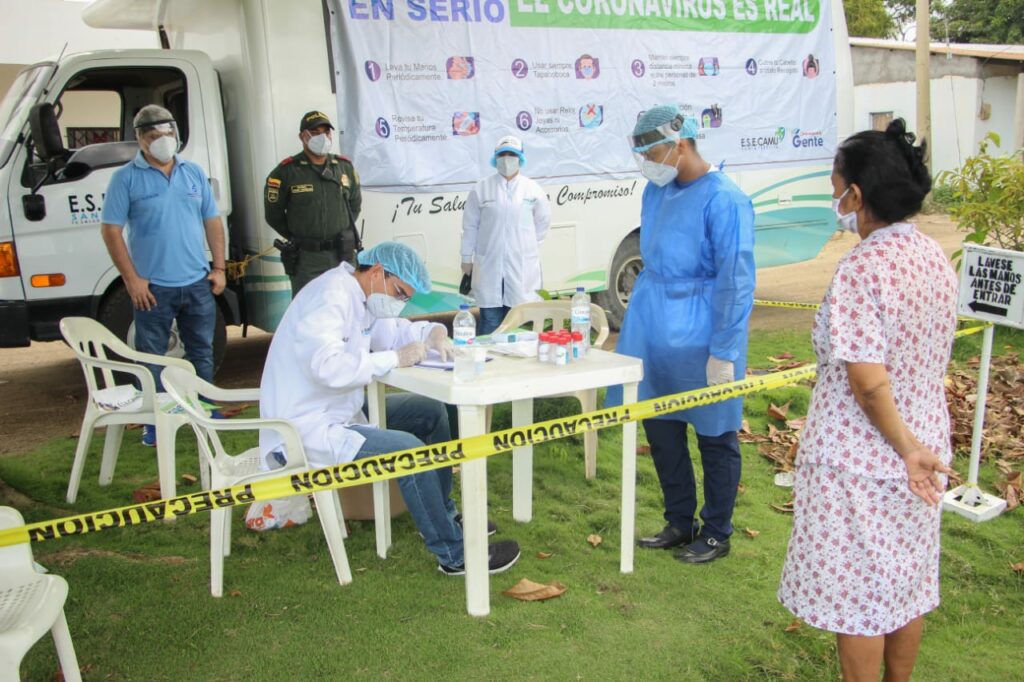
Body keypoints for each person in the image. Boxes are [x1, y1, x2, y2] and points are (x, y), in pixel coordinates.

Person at [778, 119, 955, 682]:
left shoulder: (863, 266)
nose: (833, 197)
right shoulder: (932, 256)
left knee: (859, 597)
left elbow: (868, 381)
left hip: (865, 458)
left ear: (857, 194)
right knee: (905, 582)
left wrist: (902, 447)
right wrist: (914, 449)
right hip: (925, 447)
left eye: (835, 186)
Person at [259, 241, 521, 575]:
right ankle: (455, 556)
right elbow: (326, 367)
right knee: (410, 451)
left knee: (430, 412)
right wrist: (392, 360)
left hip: (339, 411)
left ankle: (445, 515)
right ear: (379, 272)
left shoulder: (365, 298)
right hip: (304, 427)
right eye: (399, 293)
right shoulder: (330, 297)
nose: (400, 303)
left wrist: (435, 333)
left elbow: (397, 333)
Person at [610, 104, 755, 564]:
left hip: (703, 327)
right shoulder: (657, 191)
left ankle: (716, 531)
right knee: (663, 426)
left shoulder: (724, 199)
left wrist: (725, 349)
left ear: (681, 143)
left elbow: (736, 278)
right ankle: (679, 519)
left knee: (715, 434)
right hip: (653, 322)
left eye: (653, 151)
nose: (648, 162)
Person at [100, 104, 226, 447]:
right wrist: (132, 280)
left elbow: (212, 220)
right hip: (152, 287)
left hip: (197, 282)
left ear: (176, 135)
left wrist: (219, 268)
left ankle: (205, 410)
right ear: (140, 140)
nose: (162, 141)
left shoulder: (193, 173)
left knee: (201, 351)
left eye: (167, 134)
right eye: (154, 136)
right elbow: (111, 231)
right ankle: (159, 421)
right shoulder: (125, 178)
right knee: (152, 356)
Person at [460, 135, 551, 335]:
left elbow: (542, 224)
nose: (507, 159)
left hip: (521, 267)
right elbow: (470, 226)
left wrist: (525, 247)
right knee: (490, 324)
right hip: (489, 267)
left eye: (512, 155)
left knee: (518, 324)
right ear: (495, 158)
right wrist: (466, 257)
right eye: (503, 155)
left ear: (521, 158)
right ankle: (488, 365)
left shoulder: (533, 190)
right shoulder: (481, 188)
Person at [265, 110, 362, 297]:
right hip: (307, 260)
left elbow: (354, 206)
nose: (322, 137)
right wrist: (302, 235)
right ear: (303, 137)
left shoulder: (344, 168)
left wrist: (339, 230)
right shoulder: (286, 172)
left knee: (347, 306)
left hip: (342, 255)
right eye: (315, 132)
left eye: (326, 132)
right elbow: (273, 215)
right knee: (307, 312)